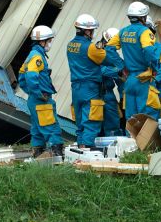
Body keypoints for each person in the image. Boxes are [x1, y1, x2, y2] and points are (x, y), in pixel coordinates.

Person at [18, 25, 62, 158]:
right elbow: (30, 76)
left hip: (35, 99)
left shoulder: (31, 55)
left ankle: (38, 155)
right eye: (48, 41)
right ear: (41, 42)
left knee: (37, 130)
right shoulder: (37, 57)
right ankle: (57, 156)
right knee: (51, 127)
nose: (49, 44)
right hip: (41, 100)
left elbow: (21, 76)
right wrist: (38, 93)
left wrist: (31, 92)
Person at [119, 2, 161, 120]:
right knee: (139, 121)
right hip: (144, 84)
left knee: (154, 122)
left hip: (156, 88)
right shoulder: (140, 44)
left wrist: (156, 79)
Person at [67, 14, 107, 148]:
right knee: (91, 119)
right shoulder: (91, 47)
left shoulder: (70, 45)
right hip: (90, 88)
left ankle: (80, 147)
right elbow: (106, 58)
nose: (93, 33)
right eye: (92, 31)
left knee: (80, 121)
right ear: (87, 31)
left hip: (76, 88)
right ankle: (87, 148)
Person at [98, 28, 126, 137]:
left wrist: (124, 98)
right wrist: (117, 71)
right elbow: (101, 70)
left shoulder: (111, 55)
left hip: (108, 94)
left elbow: (122, 76)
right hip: (97, 92)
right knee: (97, 125)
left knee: (114, 121)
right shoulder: (96, 52)